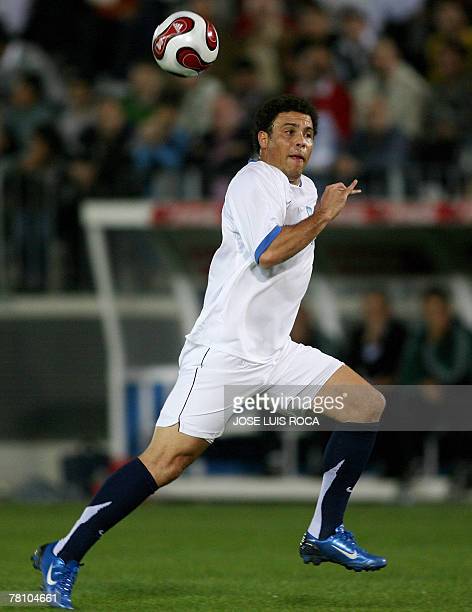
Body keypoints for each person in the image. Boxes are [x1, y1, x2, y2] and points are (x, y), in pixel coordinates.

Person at [32, 94, 387, 610]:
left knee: (366, 404)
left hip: (275, 352)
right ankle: (64, 554)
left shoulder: (307, 188)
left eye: (308, 132)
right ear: (263, 139)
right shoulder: (251, 181)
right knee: (166, 461)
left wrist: (319, 208)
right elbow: (269, 253)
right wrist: (325, 216)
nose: (301, 141)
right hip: (224, 352)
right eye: (289, 131)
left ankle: (325, 531)